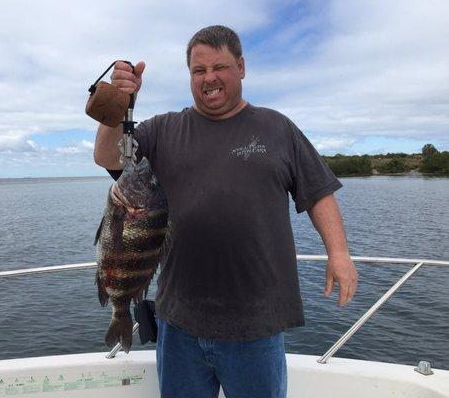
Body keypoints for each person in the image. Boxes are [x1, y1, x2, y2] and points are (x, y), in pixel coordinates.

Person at [93, 25, 358, 398]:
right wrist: (116, 105)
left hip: (255, 325)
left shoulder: (277, 128)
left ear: (242, 67)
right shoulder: (164, 130)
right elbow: (108, 157)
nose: (209, 78)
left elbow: (318, 193)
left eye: (220, 67)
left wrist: (339, 253)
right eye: (198, 71)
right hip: (179, 322)